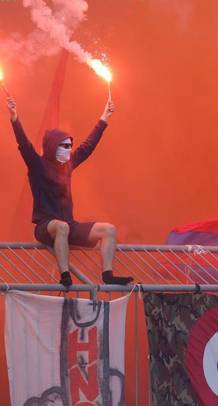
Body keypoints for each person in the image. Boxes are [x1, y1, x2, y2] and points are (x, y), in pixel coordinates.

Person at [7, 96, 133, 287]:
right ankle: (65, 275)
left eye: (70, 146)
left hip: (68, 225)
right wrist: (15, 117)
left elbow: (87, 147)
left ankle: (107, 274)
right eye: (64, 146)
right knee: (61, 227)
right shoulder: (38, 165)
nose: (69, 150)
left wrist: (104, 117)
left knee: (108, 229)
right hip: (45, 226)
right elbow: (24, 144)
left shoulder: (68, 165)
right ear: (52, 147)